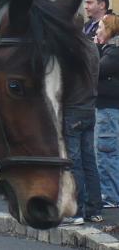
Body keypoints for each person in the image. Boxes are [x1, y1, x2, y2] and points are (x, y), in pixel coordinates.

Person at [61, 18, 103, 225]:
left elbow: (63, 81)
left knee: (74, 162)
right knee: (89, 162)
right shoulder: (92, 47)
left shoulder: (70, 50)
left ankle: (77, 211)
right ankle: (94, 210)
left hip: (72, 109)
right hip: (89, 108)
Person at [95, 13, 119, 209]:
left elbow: (96, 70)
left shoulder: (113, 52)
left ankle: (111, 196)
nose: (97, 31)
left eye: (100, 27)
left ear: (110, 30)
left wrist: (95, 47)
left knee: (106, 153)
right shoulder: (110, 50)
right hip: (109, 110)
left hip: (108, 111)